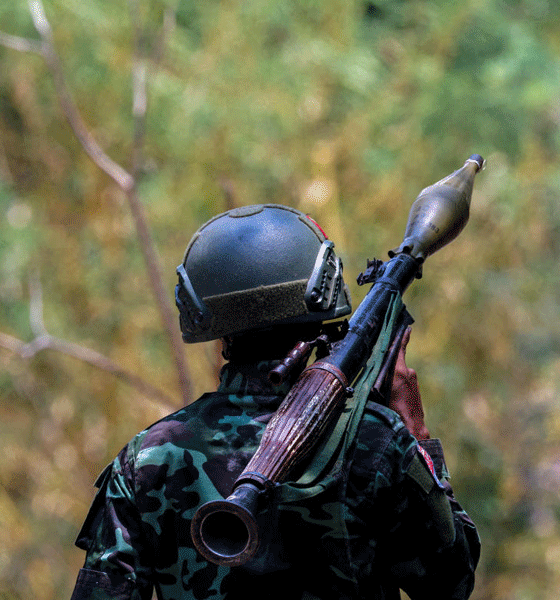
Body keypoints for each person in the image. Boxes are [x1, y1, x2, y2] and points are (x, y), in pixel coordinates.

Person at [69, 204, 480, 600]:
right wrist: (415, 432)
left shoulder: (146, 460)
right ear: (321, 306)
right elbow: (450, 583)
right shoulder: (375, 441)